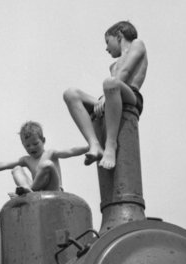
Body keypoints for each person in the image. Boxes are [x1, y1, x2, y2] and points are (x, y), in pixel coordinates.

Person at [63, 21, 148, 170]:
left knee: (110, 82)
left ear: (119, 35)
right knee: (71, 94)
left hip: (131, 96)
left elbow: (126, 72)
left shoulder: (137, 44)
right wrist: (105, 98)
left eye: (108, 42)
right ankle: (94, 144)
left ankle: (110, 145)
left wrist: (105, 95)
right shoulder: (113, 66)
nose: (106, 48)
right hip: (112, 95)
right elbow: (113, 85)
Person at [0, 121, 89, 195]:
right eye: (27, 146)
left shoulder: (51, 153)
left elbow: (71, 151)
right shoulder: (27, 160)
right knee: (16, 169)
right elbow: (3, 164)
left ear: (43, 140)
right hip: (36, 191)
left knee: (47, 164)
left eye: (35, 144)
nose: (31, 148)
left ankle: (29, 191)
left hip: (53, 189)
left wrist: (89, 147)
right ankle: (28, 191)